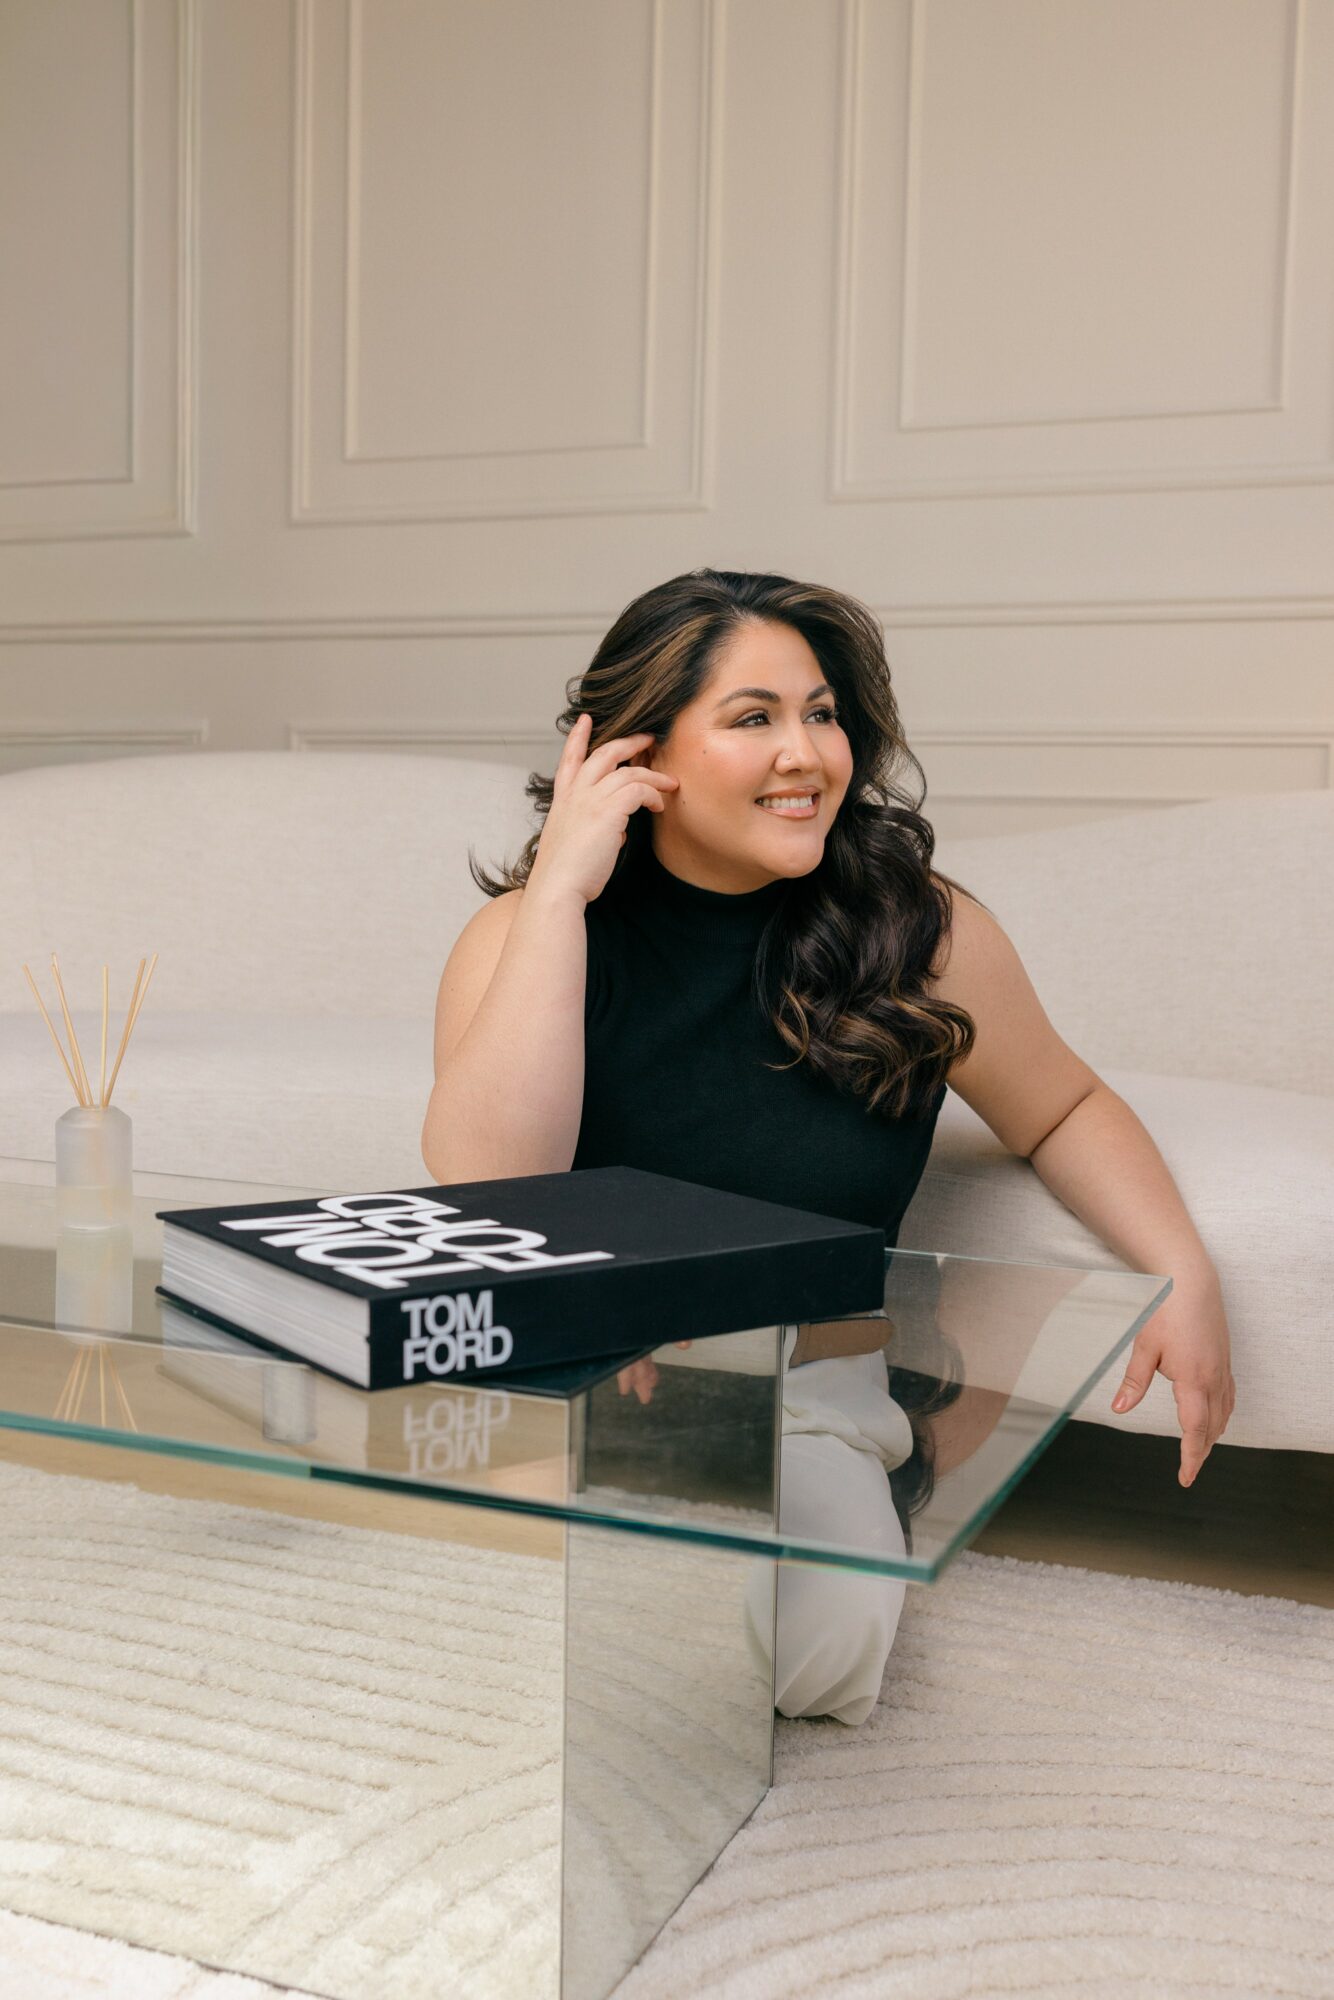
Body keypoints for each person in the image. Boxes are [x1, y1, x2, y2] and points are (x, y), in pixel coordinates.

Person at [421, 566, 1236, 1720]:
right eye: (751, 718)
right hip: (575, 1373)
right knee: (485, 1624)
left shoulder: (918, 929)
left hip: (802, 1391)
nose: (805, 753)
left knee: (811, 1649)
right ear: (637, 750)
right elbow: (491, 1189)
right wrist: (558, 894)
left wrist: (1182, 1273)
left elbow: (1059, 1106)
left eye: (819, 712)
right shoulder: (525, 933)